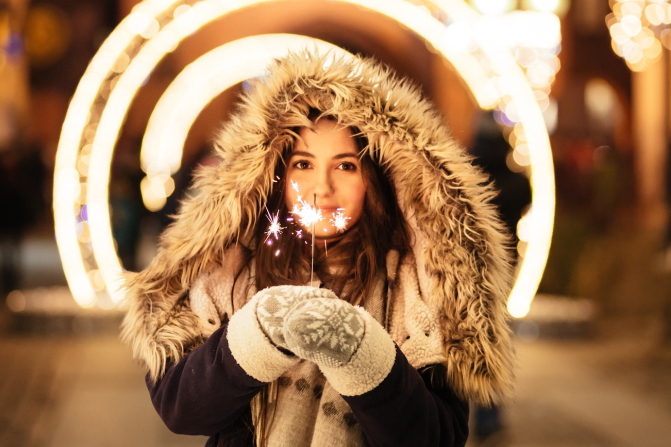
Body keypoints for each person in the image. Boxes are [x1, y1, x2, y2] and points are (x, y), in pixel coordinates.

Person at [122, 51, 515, 446]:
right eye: (304, 164)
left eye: (345, 166)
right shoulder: (231, 266)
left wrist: (359, 349)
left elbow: (437, 437)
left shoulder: (420, 284)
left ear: (374, 179)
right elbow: (181, 408)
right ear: (277, 173)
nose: (322, 188)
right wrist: (260, 331)